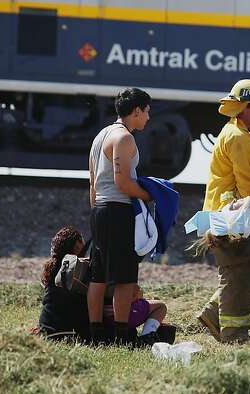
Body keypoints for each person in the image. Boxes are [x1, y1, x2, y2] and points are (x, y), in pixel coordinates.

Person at [197, 79, 250, 343]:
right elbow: (245, 186)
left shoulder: (243, 135)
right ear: (242, 107)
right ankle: (233, 334)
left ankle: (212, 314)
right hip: (230, 216)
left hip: (234, 215)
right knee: (238, 273)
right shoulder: (238, 138)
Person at [87, 88, 152, 345]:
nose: (148, 117)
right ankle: (122, 336)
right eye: (146, 112)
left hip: (99, 210)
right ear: (136, 111)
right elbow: (123, 182)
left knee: (98, 276)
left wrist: (95, 211)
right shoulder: (125, 138)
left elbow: (93, 182)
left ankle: (95, 334)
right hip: (118, 210)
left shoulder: (100, 135)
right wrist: (150, 195)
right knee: (125, 278)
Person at [39, 226, 173, 344]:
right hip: (87, 330)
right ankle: (147, 336)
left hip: (50, 330)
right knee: (159, 306)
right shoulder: (84, 268)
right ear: (78, 245)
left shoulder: (51, 274)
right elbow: (130, 292)